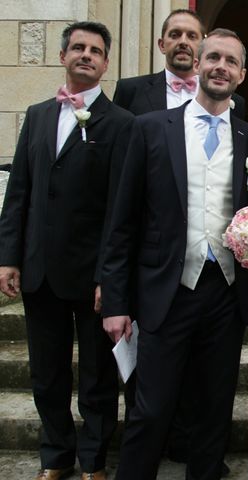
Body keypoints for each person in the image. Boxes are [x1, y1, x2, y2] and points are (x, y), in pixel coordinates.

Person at [100, 28, 248, 480]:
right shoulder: (151, 128)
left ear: (242, 74)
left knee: (214, 412)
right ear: (197, 62)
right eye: (213, 57)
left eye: (231, 61)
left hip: (224, 294)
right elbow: (122, 222)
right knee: (150, 410)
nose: (220, 67)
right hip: (165, 290)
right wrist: (115, 302)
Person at [0, 21, 133, 480]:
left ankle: (94, 460)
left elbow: (120, 208)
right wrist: (8, 256)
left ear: (106, 63)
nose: (86, 55)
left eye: (96, 50)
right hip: (39, 269)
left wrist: (108, 278)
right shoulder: (37, 116)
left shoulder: (122, 125)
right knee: (47, 375)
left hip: (92, 275)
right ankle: (54, 457)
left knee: (97, 378)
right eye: (78, 47)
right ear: (63, 55)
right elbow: (19, 191)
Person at [113, 8, 245, 119]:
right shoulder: (130, 90)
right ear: (162, 45)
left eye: (192, 36)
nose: (183, 42)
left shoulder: (234, 101)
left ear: (202, 47)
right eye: (175, 35)